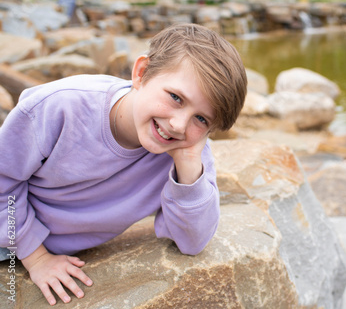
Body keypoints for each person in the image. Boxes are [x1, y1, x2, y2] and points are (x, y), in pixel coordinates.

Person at [0, 23, 247, 306]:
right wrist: (37, 257)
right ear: (141, 73)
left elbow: (193, 242)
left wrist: (189, 167)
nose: (179, 125)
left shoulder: (186, 151)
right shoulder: (60, 108)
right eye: (176, 98)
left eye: (201, 119)